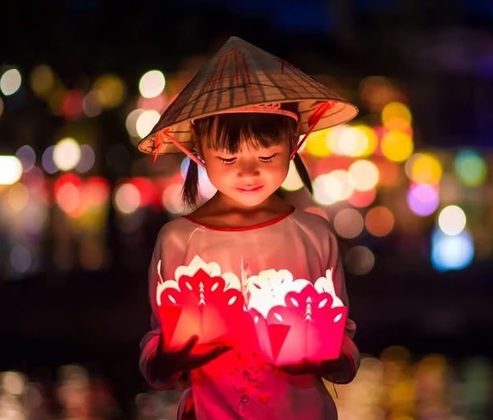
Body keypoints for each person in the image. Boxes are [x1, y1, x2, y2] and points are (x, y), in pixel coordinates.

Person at [136, 36, 361, 419]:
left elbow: (344, 341)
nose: (248, 171)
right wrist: (172, 357)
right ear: (200, 152)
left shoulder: (314, 234)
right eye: (228, 157)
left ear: (292, 145)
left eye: (267, 155)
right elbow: (157, 352)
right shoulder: (179, 240)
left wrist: (327, 359)